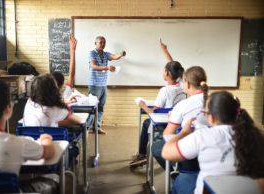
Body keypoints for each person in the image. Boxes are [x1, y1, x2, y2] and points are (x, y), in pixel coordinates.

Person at [162, 91, 264, 194]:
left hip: (208, 190)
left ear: (211, 117)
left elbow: (166, 152)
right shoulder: (256, 135)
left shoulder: (203, 136)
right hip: (245, 190)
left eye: (205, 113)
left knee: (181, 180)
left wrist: (183, 133)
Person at [0, 77, 55, 175]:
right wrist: (46, 138)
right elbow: (50, 151)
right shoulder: (19, 144)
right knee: (53, 179)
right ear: (8, 109)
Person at [152, 66, 209, 193]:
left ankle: (175, 173)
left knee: (156, 148)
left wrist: (174, 119)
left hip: (190, 160)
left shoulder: (183, 105)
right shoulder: (217, 101)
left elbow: (168, 134)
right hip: (213, 156)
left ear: (187, 84)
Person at [130, 39, 186, 167]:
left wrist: (143, 105)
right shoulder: (184, 85)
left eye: (164, 70)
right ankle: (142, 155)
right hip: (180, 123)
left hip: (165, 125)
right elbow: (174, 66)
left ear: (167, 73)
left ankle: (142, 155)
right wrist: (165, 51)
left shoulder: (165, 91)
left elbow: (154, 113)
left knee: (146, 123)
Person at [87, 36, 126, 134]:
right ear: (95, 43)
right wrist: (107, 67)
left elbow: (115, 57)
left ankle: (96, 128)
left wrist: (121, 54)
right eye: (100, 42)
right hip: (94, 85)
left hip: (103, 85)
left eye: (104, 42)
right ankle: (86, 128)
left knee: (100, 108)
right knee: (92, 108)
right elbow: (94, 66)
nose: (102, 44)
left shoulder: (105, 54)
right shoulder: (91, 53)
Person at [52, 34, 78, 103]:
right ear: (61, 85)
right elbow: (71, 75)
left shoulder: (39, 100)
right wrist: (72, 50)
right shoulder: (64, 97)